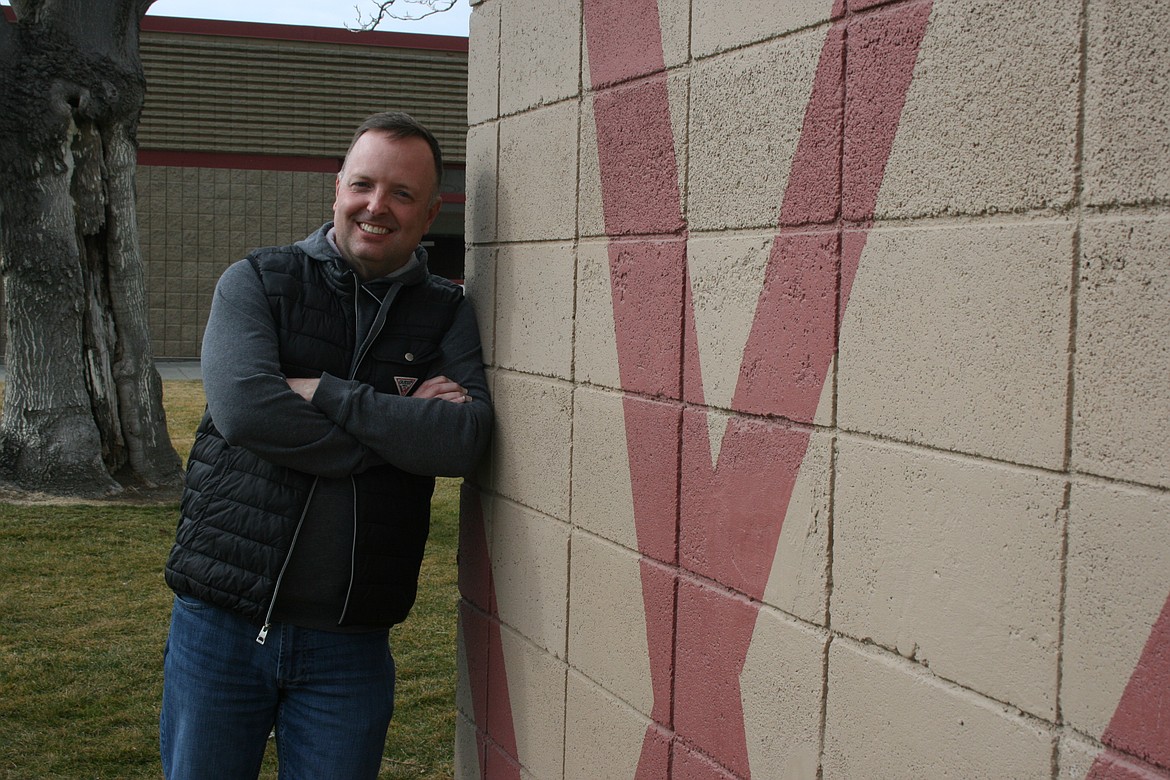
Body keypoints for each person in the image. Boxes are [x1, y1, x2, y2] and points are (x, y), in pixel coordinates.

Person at [159, 111, 492, 779]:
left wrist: (327, 394)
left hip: (351, 645)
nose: (377, 206)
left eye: (402, 194)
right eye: (364, 185)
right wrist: (397, 429)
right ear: (337, 188)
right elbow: (250, 412)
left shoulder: (447, 313)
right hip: (221, 625)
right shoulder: (258, 282)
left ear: (430, 215)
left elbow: (461, 441)